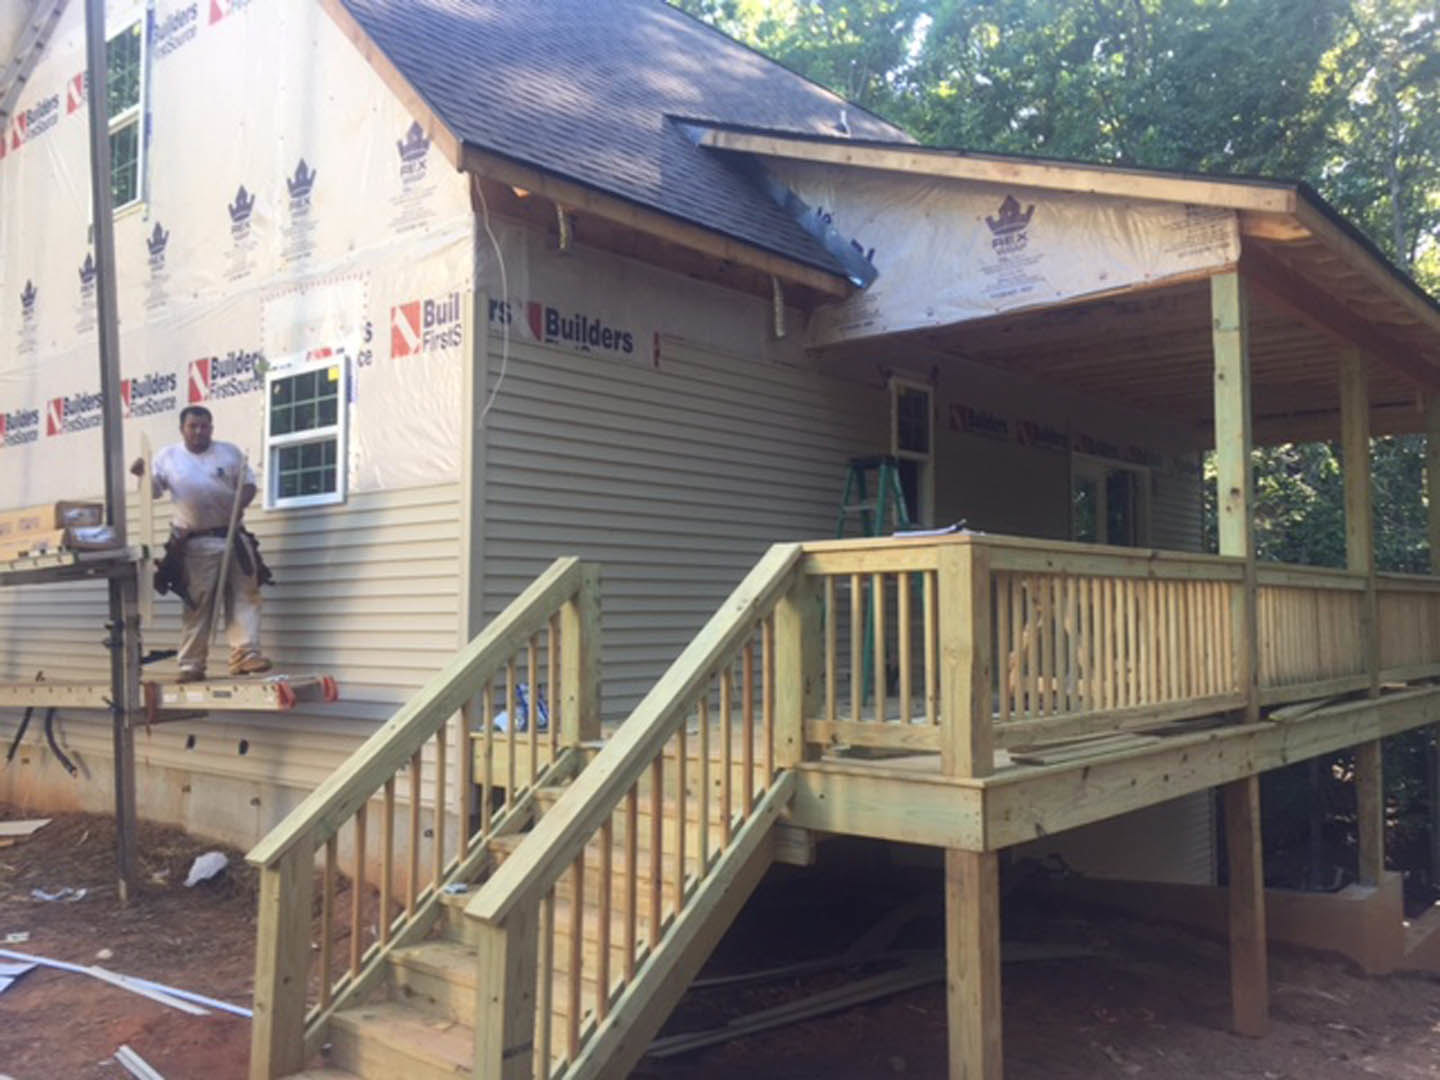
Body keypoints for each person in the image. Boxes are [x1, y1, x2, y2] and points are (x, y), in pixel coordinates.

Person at [130, 406, 272, 682]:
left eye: (205, 426)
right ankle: (191, 664)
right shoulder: (168, 457)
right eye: (193, 426)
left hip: (233, 536)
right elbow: (154, 492)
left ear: (212, 428)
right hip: (195, 541)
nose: (199, 431)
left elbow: (248, 485)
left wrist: (239, 505)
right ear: (182, 429)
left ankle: (245, 654)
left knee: (246, 595)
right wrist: (142, 475)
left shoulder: (229, 453)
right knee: (199, 603)